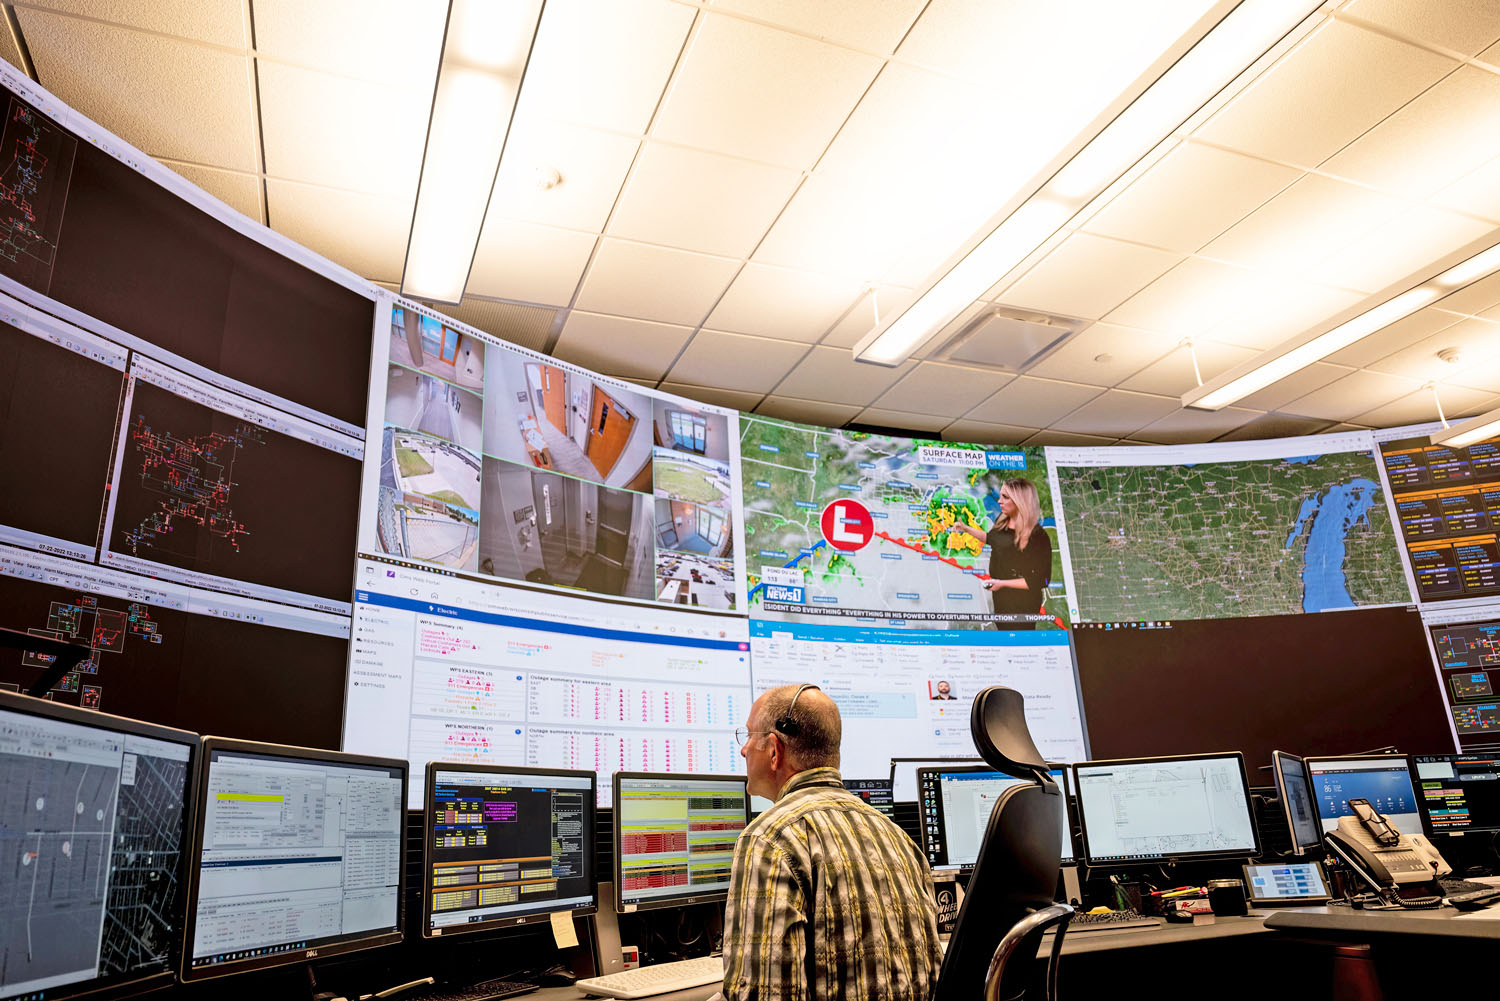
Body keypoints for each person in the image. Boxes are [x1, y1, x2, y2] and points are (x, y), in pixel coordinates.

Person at [722, 685, 942, 1001]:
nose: (743, 750)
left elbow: (762, 995)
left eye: (749, 737)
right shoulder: (900, 839)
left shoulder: (769, 839)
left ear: (774, 751)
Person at [953, 477, 1051, 630]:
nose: (999, 501)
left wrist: (1002, 583)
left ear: (1020, 501)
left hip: (1021, 606)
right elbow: (991, 539)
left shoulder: (1038, 536)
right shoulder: (1003, 520)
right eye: (1000, 496)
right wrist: (966, 529)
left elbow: (1041, 580)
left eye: (1005, 497)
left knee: (1018, 640)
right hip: (1001, 599)